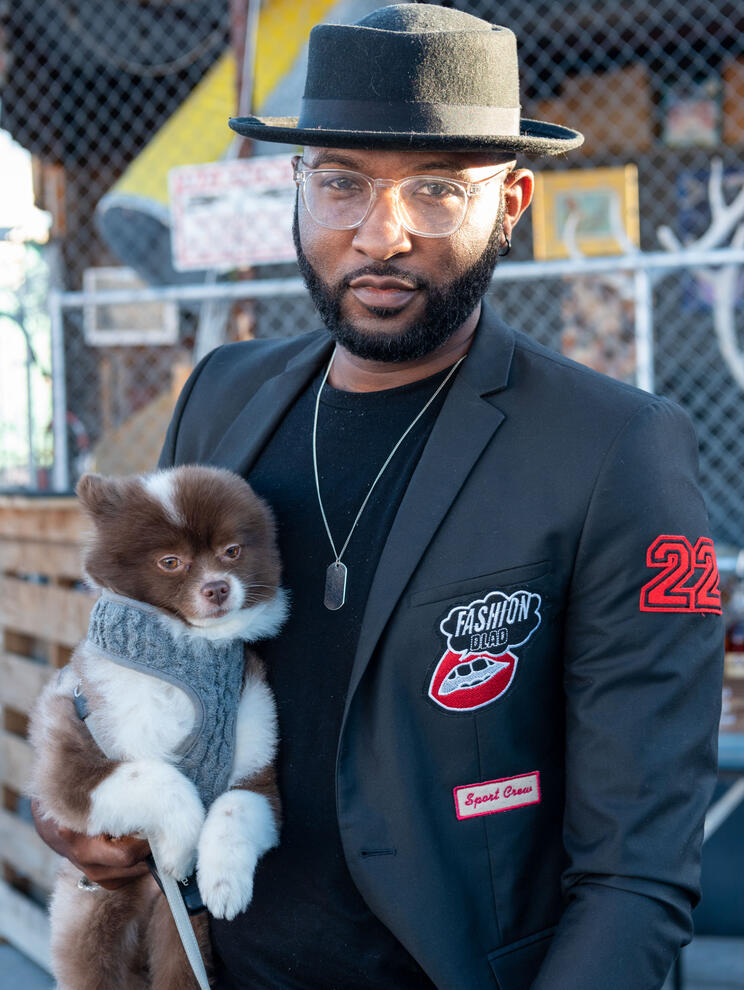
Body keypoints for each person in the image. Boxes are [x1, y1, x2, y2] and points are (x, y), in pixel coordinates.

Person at [34, 5, 724, 989]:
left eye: (437, 191)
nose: (381, 233)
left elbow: (635, 875)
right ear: (299, 188)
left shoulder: (611, 448)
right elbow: (127, 666)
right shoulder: (226, 397)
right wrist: (81, 809)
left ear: (513, 201)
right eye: (343, 183)